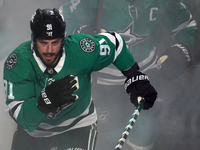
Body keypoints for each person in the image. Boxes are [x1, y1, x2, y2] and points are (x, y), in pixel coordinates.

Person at [3, 8, 157, 150]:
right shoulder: (18, 63)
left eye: (54, 43)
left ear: (63, 40)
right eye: (43, 43)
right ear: (33, 40)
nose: (49, 50)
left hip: (77, 127)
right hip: (34, 134)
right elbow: (22, 117)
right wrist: (44, 103)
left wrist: (133, 75)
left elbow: (115, 44)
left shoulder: (82, 48)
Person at [59, 0, 198, 149]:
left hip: (147, 75)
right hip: (103, 82)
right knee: (108, 138)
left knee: (144, 134)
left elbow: (185, 25)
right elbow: (62, 18)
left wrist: (180, 50)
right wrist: (82, 34)